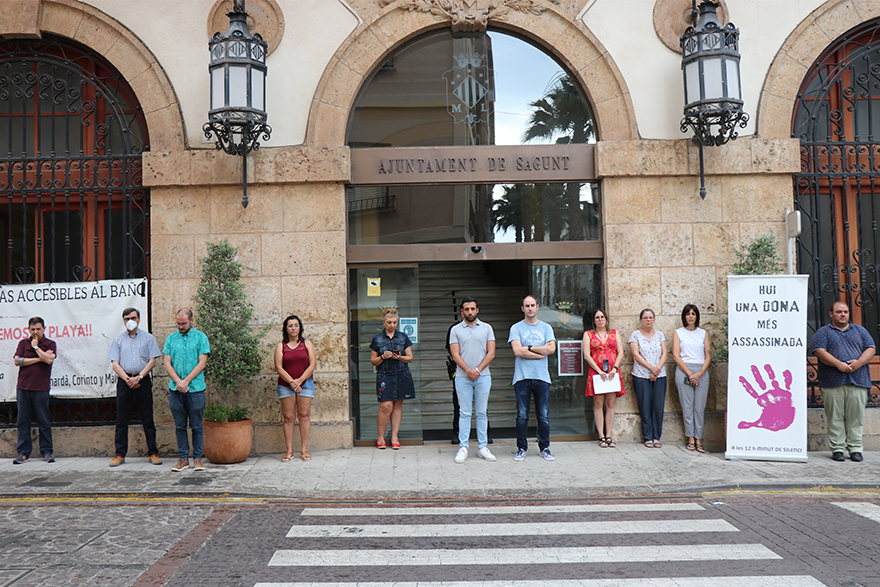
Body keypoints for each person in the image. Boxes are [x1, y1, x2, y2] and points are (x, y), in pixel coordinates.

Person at [811, 301, 876, 462]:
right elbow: (819, 351)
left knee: (856, 417)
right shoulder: (823, 332)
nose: (842, 314)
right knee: (835, 417)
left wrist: (859, 362)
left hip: (858, 380)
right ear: (831, 314)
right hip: (833, 381)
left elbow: (871, 348)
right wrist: (838, 364)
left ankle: (855, 449)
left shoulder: (860, 330)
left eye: (845, 312)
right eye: (839, 312)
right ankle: (837, 449)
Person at [107, 307, 163, 467]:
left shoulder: (148, 338)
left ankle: (153, 452)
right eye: (126, 318)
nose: (130, 321)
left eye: (133, 318)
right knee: (121, 420)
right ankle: (119, 454)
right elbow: (115, 364)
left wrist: (138, 377)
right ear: (123, 321)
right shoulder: (118, 340)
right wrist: (127, 379)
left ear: (138, 319)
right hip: (125, 381)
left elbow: (152, 361)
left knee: (147, 418)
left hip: (143, 380)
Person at [448, 297, 496, 464]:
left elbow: (491, 353)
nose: (470, 312)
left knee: (482, 412)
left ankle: (483, 447)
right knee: (464, 413)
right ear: (462, 311)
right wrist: (469, 370)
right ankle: (464, 447)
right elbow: (455, 354)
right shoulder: (455, 330)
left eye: (472, 309)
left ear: (477, 310)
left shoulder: (487, 328)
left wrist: (477, 370)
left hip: (483, 376)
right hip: (462, 377)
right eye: (466, 309)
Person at [508, 295, 556, 461]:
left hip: (542, 377)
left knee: (543, 415)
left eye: (532, 305)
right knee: (522, 415)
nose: (530, 308)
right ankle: (521, 448)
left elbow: (551, 349)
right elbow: (517, 351)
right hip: (522, 377)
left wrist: (528, 348)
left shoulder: (546, 328)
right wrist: (538, 351)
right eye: (526, 306)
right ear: (522, 308)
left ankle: (545, 448)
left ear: (537, 307)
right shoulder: (516, 328)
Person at [163, 308, 211, 472]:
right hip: (176, 389)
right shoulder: (171, 339)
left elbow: (202, 363)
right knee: (179, 426)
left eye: (183, 323)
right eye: (178, 323)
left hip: (195, 389)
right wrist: (178, 381)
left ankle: (197, 458)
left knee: (197, 425)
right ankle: (183, 459)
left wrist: (186, 381)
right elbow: (167, 363)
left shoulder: (201, 338)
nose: (180, 326)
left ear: (191, 320)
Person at [12, 317, 57, 464]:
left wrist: (36, 348)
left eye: (38, 329)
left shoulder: (50, 343)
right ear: (28, 330)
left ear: (44, 328)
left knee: (44, 421)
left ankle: (47, 452)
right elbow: (17, 361)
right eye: (32, 329)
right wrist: (40, 358)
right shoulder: (23, 343)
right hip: (23, 387)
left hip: (41, 388)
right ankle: (23, 453)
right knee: (22, 421)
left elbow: (49, 360)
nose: (35, 332)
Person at [370, 308, 415, 449]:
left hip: (402, 374)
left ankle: (394, 436)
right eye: (389, 322)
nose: (392, 325)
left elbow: (410, 358)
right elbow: (373, 361)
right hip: (385, 374)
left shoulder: (402, 337)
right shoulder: (377, 339)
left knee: (397, 405)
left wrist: (399, 357)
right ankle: (381, 436)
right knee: (385, 406)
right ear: (383, 322)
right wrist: (383, 357)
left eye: (395, 322)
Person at [274, 315, 317, 462]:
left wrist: (300, 381)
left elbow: (312, 365)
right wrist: (292, 382)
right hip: (286, 386)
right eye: (290, 325)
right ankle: (289, 451)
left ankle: (304, 450)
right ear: (286, 328)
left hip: (305, 384)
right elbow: (278, 368)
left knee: (304, 415)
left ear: (300, 327)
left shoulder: (307, 344)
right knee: (288, 418)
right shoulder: (281, 346)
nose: (293, 328)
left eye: (296, 325)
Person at [582, 308, 625, 448]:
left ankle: (609, 435)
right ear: (594, 321)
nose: (600, 319)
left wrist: (615, 368)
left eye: (602, 317)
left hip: (612, 373)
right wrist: (599, 370)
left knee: (611, 404)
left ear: (606, 319)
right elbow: (587, 355)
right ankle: (601, 436)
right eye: (597, 317)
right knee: (599, 404)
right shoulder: (588, 334)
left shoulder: (614, 333)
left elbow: (621, 352)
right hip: (596, 373)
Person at [672, 304, 711, 453]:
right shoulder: (678, 333)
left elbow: (708, 355)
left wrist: (700, 373)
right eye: (688, 314)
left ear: (697, 316)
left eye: (693, 314)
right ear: (684, 316)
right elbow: (676, 355)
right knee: (687, 406)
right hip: (684, 370)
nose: (690, 316)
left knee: (699, 407)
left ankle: (699, 439)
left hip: (701, 370)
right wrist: (689, 373)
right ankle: (690, 438)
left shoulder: (703, 333)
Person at [628, 308, 667, 448]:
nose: (648, 320)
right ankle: (647, 436)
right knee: (644, 406)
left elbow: (664, 354)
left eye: (651, 317)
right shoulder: (635, 335)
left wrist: (657, 370)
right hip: (641, 375)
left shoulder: (660, 335)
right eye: (645, 318)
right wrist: (652, 368)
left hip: (660, 376)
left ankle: (657, 436)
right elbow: (636, 355)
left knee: (658, 406)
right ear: (641, 320)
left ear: (654, 319)